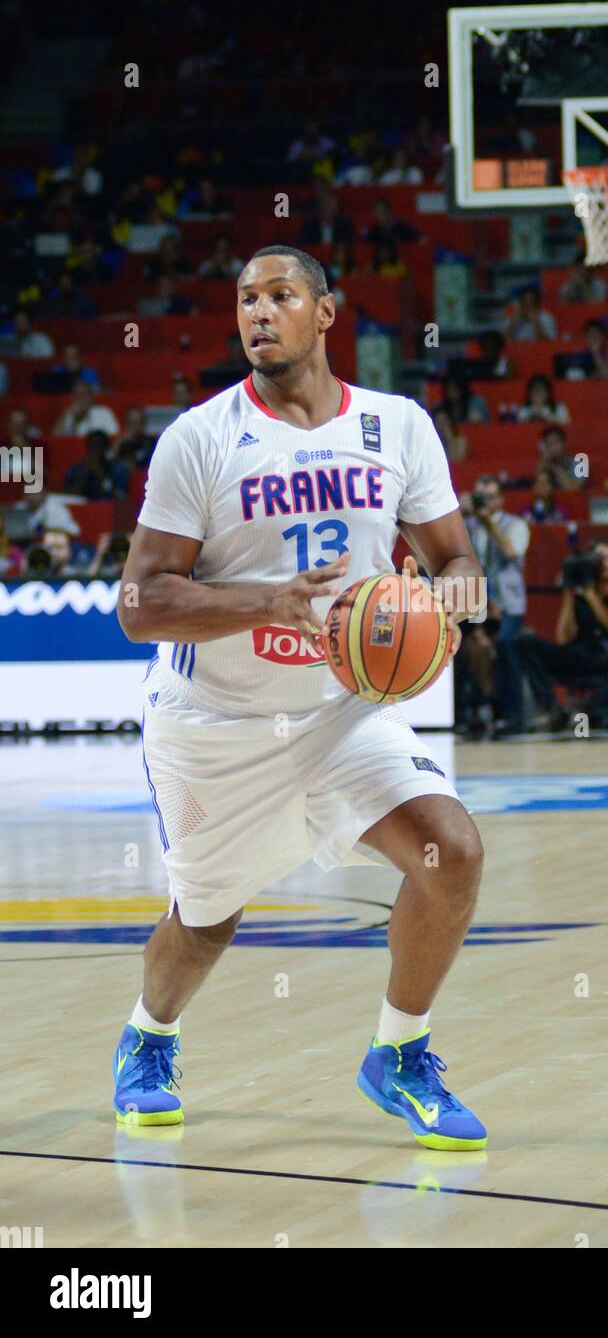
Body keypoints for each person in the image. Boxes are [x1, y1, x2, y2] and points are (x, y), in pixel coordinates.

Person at [113, 244, 488, 1150]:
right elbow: (139, 603)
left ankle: (399, 1055)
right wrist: (269, 601)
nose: (257, 312)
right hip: (217, 727)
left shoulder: (398, 426)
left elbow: (455, 558)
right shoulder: (199, 439)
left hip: (339, 713)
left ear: (325, 313)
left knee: (452, 852)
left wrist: (451, 604)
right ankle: (147, 1039)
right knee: (206, 924)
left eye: (280, 294)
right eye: (245, 297)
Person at [509, 539, 608, 731]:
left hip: (607, 657)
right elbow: (564, 637)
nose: (603, 563)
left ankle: (589, 711)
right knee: (523, 642)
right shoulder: (578, 594)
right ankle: (552, 709)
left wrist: (591, 596)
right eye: (599, 558)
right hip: (578, 654)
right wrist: (569, 596)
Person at [457, 476, 529, 736]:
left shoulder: (515, 524)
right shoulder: (467, 524)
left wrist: (487, 521)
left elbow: (511, 552)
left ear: (500, 500)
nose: (484, 502)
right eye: (480, 496)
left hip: (508, 604)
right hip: (475, 602)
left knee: (505, 645)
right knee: (463, 644)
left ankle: (509, 712)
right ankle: (469, 709)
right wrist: (456, 514)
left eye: (489, 497)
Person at [63, 430, 130, 500]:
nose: (95, 450)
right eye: (92, 446)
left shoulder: (117, 469)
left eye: (98, 446)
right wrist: (84, 472)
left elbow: (119, 497)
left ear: (105, 448)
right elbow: (69, 497)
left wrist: (100, 474)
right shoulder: (76, 469)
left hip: (106, 508)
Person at [53, 380, 119, 437]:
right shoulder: (68, 414)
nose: (80, 399)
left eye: (84, 395)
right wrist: (65, 414)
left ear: (92, 397)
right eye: (77, 395)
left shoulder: (104, 412)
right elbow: (56, 440)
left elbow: (113, 437)